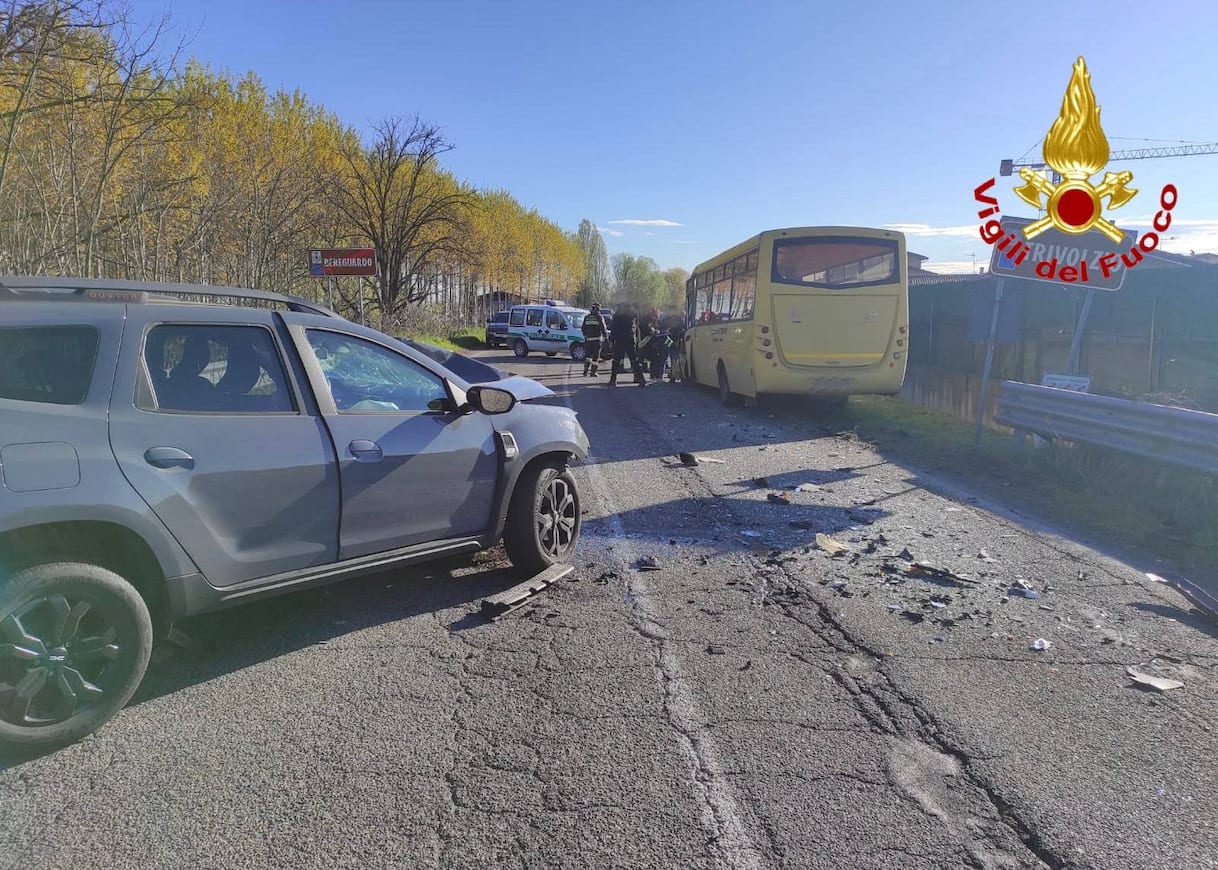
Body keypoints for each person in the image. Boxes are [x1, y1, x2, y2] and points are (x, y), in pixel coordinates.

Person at [609, 303, 646, 387]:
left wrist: (611, 340)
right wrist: (637, 339)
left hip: (620, 339)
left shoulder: (618, 314)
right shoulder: (633, 313)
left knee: (616, 360)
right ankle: (641, 379)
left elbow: (614, 327)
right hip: (630, 338)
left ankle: (613, 380)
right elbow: (636, 327)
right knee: (634, 360)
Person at [580, 303, 608, 376]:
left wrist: (586, 335)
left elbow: (583, 328)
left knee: (588, 356)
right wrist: (606, 337)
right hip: (597, 339)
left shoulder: (587, 317)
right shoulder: (599, 317)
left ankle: (585, 371)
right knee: (595, 357)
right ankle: (593, 372)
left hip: (588, 340)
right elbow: (603, 328)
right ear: (598, 309)